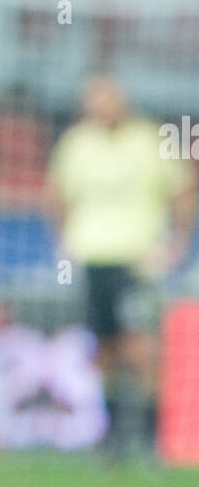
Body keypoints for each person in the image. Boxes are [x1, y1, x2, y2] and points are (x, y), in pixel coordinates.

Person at [47, 75, 196, 458]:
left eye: (103, 99)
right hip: (95, 259)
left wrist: (177, 242)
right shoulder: (77, 143)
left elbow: (182, 188)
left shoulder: (148, 139)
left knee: (141, 348)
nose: (97, 107)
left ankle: (148, 441)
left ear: (120, 100)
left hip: (138, 261)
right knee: (105, 351)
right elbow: (56, 193)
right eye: (91, 101)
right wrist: (62, 241)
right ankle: (111, 442)